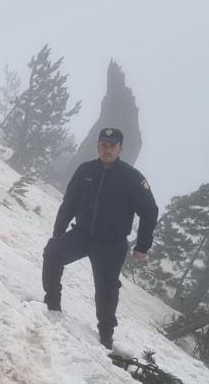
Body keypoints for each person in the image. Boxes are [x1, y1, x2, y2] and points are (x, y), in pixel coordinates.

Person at [42, 127, 158, 349]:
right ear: (98, 146)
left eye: (112, 146)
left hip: (111, 244)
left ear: (120, 149)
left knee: (106, 291)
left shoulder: (132, 179)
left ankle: (105, 334)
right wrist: (59, 232)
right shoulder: (86, 170)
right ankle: (52, 303)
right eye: (103, 145)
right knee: (53, 252)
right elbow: (69, 203)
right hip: (82, 234)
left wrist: (143, 245)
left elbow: (150, 211)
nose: (107, 150)